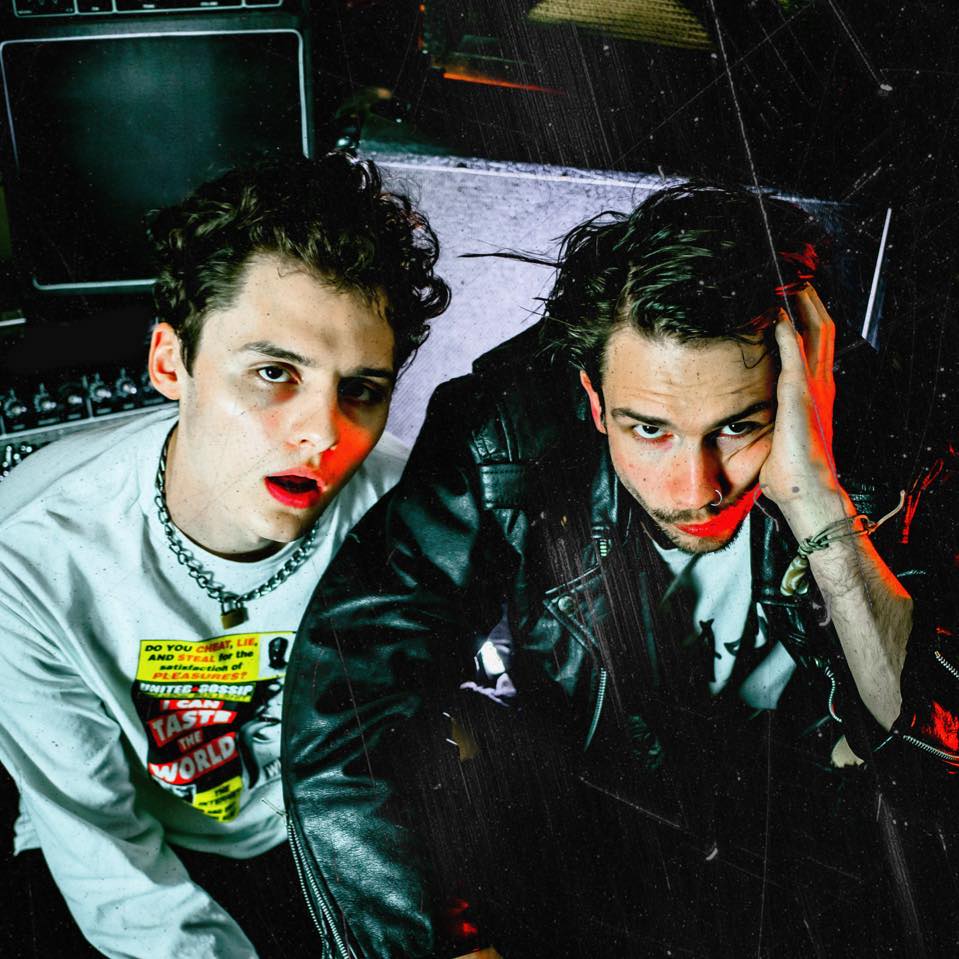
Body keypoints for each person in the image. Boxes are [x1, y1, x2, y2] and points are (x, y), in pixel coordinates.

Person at [283, 184, 959, 958]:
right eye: (649, 429)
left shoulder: (898, 444)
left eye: (738, 426)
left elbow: (930, 763)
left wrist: (818, 500)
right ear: (594, 400)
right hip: (598, 840)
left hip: (818, 859)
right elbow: (344, 701)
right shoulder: (505, 432)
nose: (695, 487)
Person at [0, 152, 450, 958]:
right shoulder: (28, 554)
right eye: (274, 372)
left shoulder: (409, 509)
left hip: (319, 825)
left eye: (360, 390)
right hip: (136, 842)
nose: (322, 434)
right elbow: (109, 857)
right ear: (170, 363)